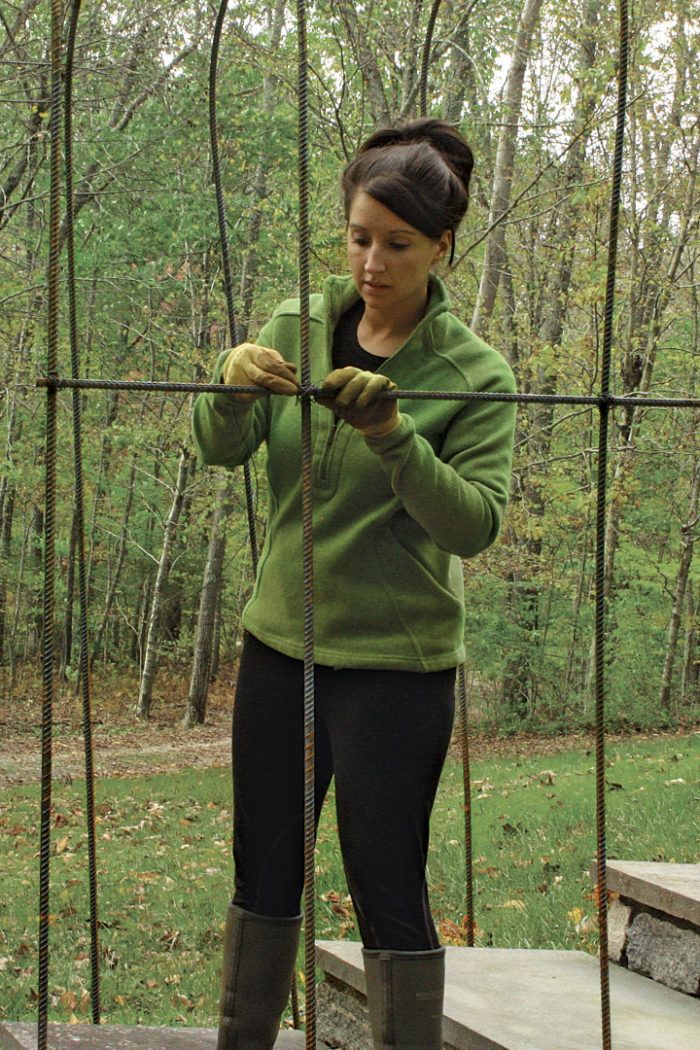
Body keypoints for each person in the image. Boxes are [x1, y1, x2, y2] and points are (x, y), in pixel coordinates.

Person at [192, 118, 516, 1050]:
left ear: (442, 247)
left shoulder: (474, 373)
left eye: (399, 245)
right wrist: (231, 383)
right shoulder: (295, 323)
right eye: (359, 237)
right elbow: (217, 449)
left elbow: (476, 524)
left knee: (386, 880)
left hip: (394, 670)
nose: (374, 262)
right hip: (278, 650)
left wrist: (394, 438)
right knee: (264, 873)